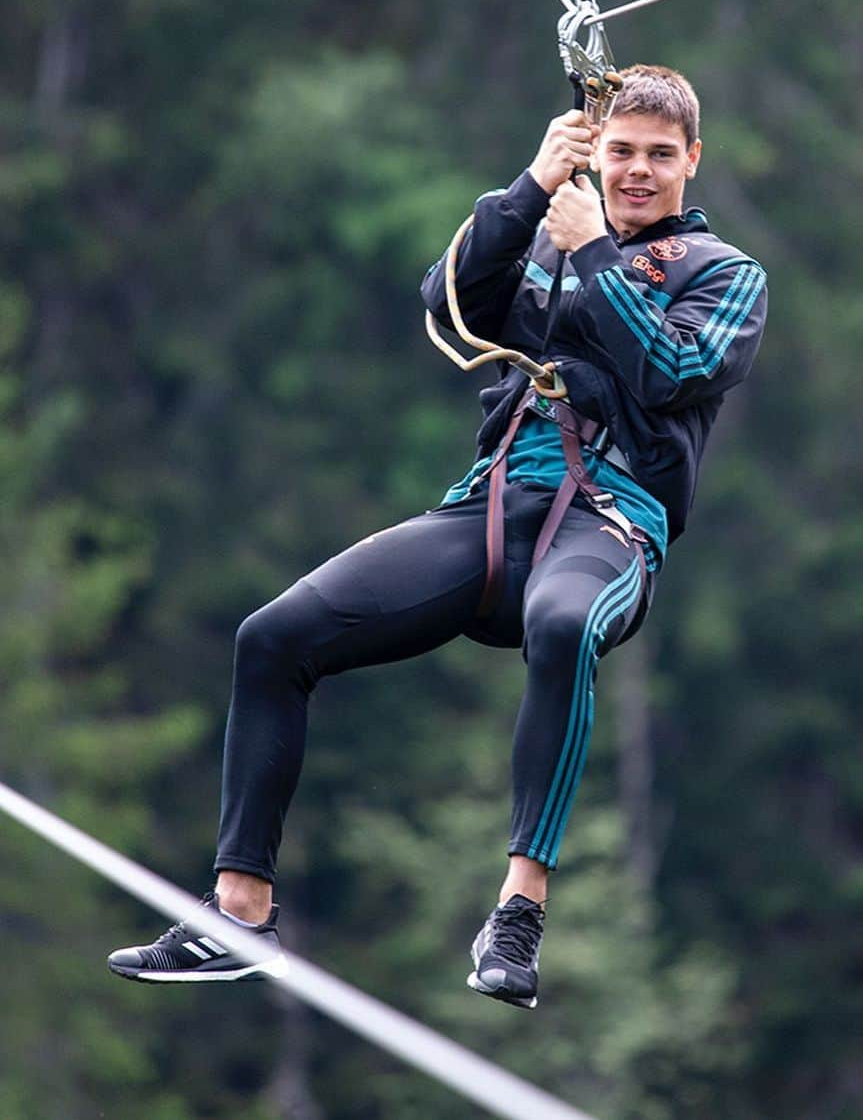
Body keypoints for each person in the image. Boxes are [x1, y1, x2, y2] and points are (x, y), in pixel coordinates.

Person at [107, 64, 767, 1009]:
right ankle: (238, 913)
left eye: (659, 156)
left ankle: (519, 910)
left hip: (611, 517)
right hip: (493, 504)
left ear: (691, 162)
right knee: (273, 637)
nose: (635, 171)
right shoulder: (548, 232)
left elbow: (672, 371)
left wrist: (592, 259)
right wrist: (530, 189)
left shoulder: (727, 276)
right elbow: (446, 296)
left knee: (563, 625)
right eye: (619, 151)